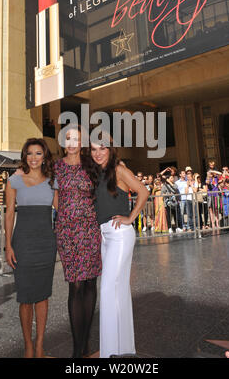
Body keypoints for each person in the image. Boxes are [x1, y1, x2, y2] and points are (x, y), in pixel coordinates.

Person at [89, 135, 149, 358]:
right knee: (119, 291)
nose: (98, 153)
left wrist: (131, 217)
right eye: (94, 149)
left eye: (102, 148)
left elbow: (143, 191)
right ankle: (124, 349)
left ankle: (109, 354)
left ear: (111, 149)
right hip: (105, 236)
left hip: (120, 235)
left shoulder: (119, 169)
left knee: (107, 289)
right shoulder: (97, 173)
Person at [5, 138, 58, 358]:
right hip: (23, 243)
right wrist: (8, 245)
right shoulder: (14, 180)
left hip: (46, 243)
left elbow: (63, 209)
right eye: (29, 153)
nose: (33, 158)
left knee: (43, 296)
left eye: (38, 153)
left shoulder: (53, 181)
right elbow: (9, 215)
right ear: (24, 156)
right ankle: (28, 346)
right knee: (25, 297)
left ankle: (39, 347)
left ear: (44, 156)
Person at [54, 125, 102, 358]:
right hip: (67, 232)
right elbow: (55, 200)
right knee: (76, 285)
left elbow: (103, 190)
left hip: (90, 230)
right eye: (68, 138)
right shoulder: (55, 167)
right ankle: (77, 348)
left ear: (82, 143)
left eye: (77, 139)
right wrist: (69, 215)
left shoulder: (91, 165)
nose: (72, 143)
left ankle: (85, 344)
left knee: (90, 283)